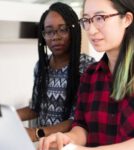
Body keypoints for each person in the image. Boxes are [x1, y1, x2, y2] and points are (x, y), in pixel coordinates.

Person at [38, 0, 134, 149]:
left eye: (100, 18)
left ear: (126, 19)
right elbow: (82, 127)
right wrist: (66, 139)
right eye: (87, 20)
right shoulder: (90, 75)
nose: (91, 30)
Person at [17, 2, 95, 142]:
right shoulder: (41, 66)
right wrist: (6, 116)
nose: (55, 37)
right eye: (49, 31)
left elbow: (78, 119)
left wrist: (37, 133)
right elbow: (36, 108)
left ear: (73, 31)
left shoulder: (87, 67)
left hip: (70, 144)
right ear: (43, 36)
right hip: (45, 145)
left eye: (63, 29)